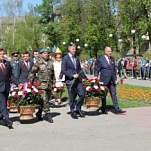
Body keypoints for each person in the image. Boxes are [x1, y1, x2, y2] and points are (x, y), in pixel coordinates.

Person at [94, 46, 125, 114]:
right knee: (104, 95)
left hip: (112, 80)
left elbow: (114, 70)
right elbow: (97, 69)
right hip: (104, 80)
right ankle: (103, 108)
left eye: (110, 51)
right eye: (108, 51)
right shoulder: (101, 60)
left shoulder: (112, 59)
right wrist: (96, 77)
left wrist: (115, 79)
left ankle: (117, 108)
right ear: (105, 52)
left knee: (114, 94)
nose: (110, 52)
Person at [28, 48, 55, 123]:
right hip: (41, 85)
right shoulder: (38, 62)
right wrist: (30, 83)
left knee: (44, 101)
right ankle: (48, 114)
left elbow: (53, 74)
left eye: (47, 53)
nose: (46, 54)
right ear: (41, 54)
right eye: (45, 53)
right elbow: (32, 72)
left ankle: (39, 113)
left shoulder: (50, 62)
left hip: (49, 84)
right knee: (44, 99)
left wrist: (54, 83)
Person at [61, 43, 87, 119]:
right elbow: (63, 70)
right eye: (73, 49)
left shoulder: (77, 57)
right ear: (69, 49)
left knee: (82, 94)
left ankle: (78, 108)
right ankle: (73, 111)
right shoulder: (65, 58)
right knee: (72, 97)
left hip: (78, 80)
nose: (74, 50)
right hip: (70, 80)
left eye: (75, 49)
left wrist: (84, 77)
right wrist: (72, 75)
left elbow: (79, 69)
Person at [0, 48, 21, 129]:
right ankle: (8, 120)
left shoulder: (7, 63)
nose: (2, 55)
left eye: (3, 53)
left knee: (4, 102)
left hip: (6, 86)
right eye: (0, 54)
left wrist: (18, 83)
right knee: (2, 103)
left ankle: (1, 118)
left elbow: (11, 75)